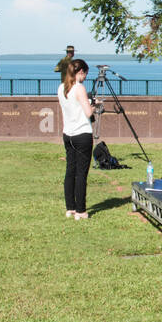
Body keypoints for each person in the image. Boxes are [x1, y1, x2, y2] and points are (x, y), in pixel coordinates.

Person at [58, 58, 96, 219]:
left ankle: (70, 208)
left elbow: (73, 106)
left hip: (68, 133)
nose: (85, 77)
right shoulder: (79, 88)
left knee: (70, 171)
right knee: (81, 174)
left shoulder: (61, 88)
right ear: (81, 72)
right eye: (85, 74)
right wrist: (93, 106)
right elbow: (88, 113)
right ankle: (81, 210)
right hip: (82, 134)